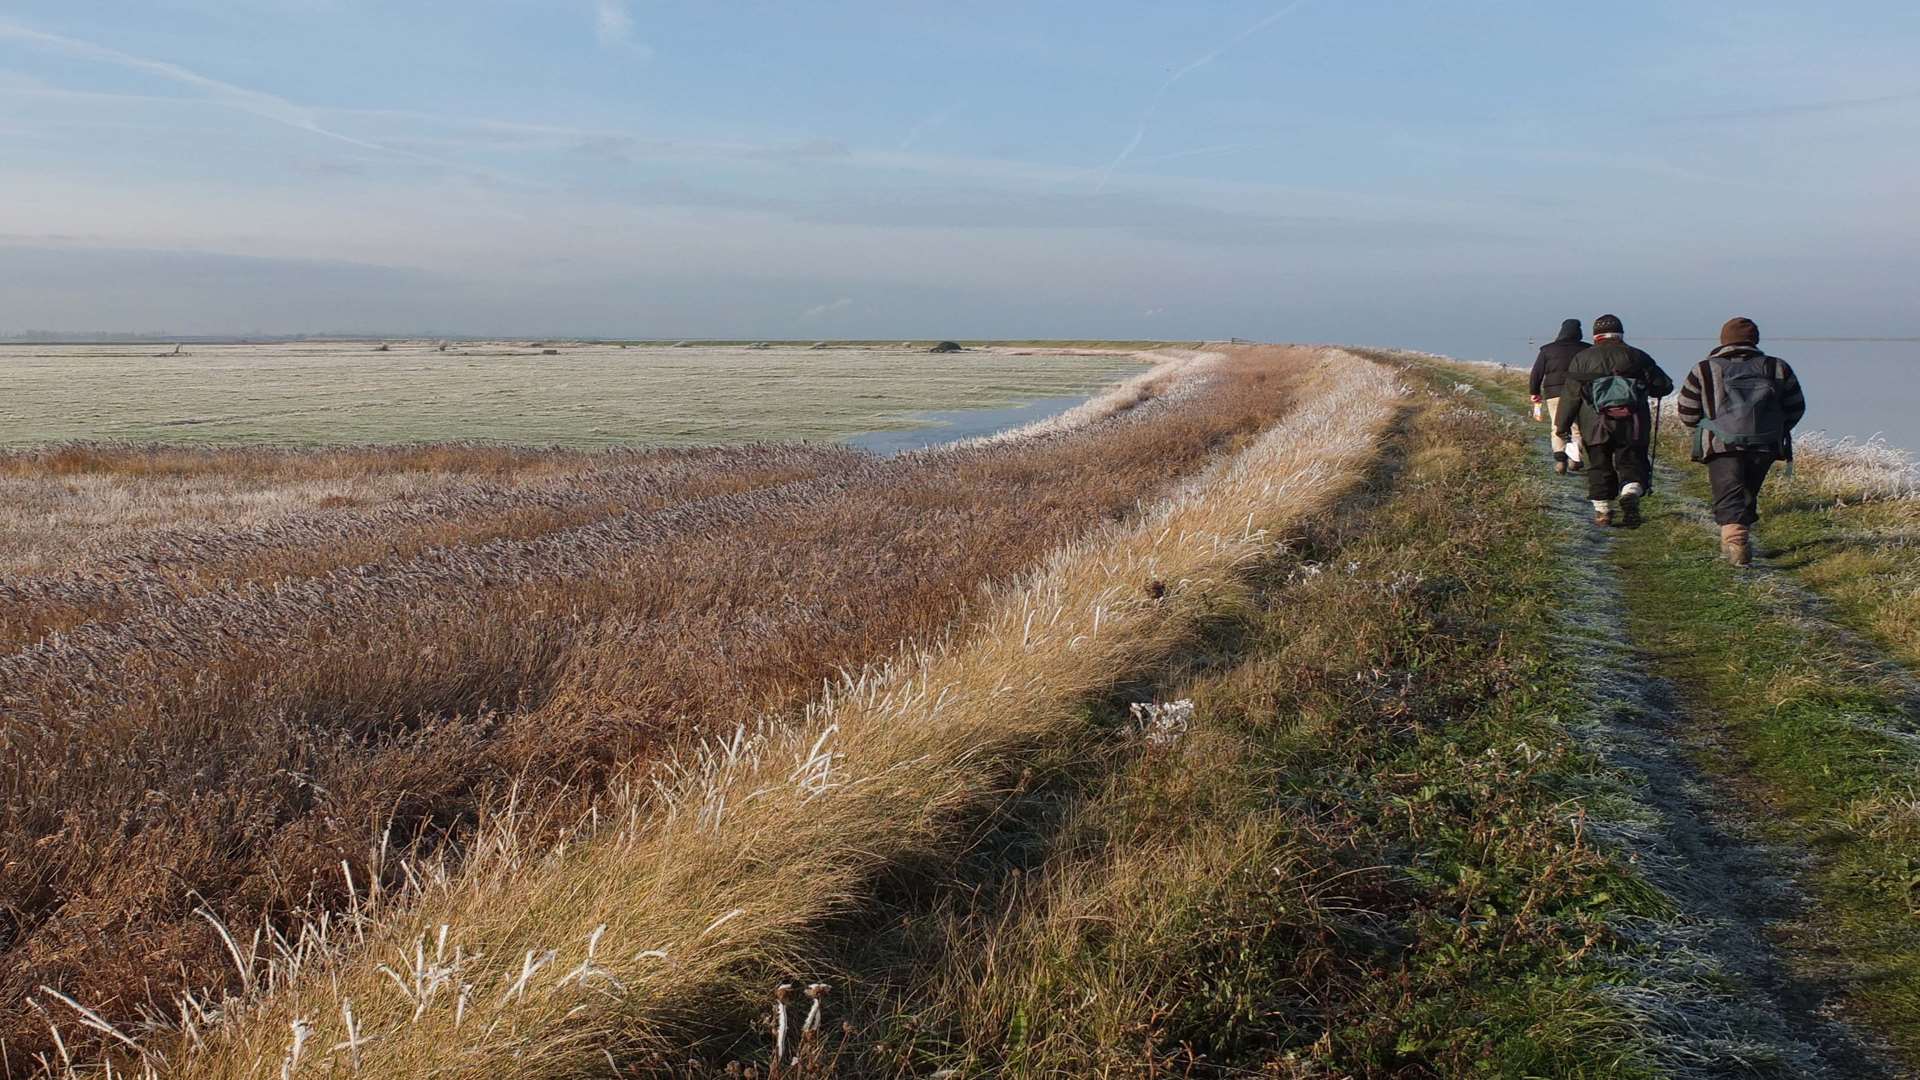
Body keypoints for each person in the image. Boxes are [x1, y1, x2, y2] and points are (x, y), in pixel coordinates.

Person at [1676, 317, 1807, 566]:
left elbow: (1687, 411)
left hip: (1720, 443)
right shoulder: (1778, 367)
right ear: (1755, 340)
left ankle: (1736, 548)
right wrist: (1774, 430)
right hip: (1766, 444)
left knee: (1728, 492)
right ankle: (1739, 538)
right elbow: (1796, 407)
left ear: (1723, 340)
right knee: (1747, 491)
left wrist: (1705, 428)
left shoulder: (1704, 368)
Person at [1556, 314, 1674, 528]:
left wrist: (1561, 426)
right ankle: (1630, 493)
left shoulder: (1582, 359)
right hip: (1634, 423)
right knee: (1632, 463)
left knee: (1599, 466)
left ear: (1596, 336)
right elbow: (1664, 386)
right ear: (1620, 333)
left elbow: (1571, 396)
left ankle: (1603, 512)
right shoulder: (1638, 357)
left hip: (1594, 424)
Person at [1528, 318, 1589, 474]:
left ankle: (1560, 460)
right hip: (1579, 392)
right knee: (1577, 428)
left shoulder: (1547, 350)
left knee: (1557, 426)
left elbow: (1536, 373)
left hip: (1554, 393)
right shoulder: (1587, 349)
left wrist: (1534, 392)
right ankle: (1574, 459)